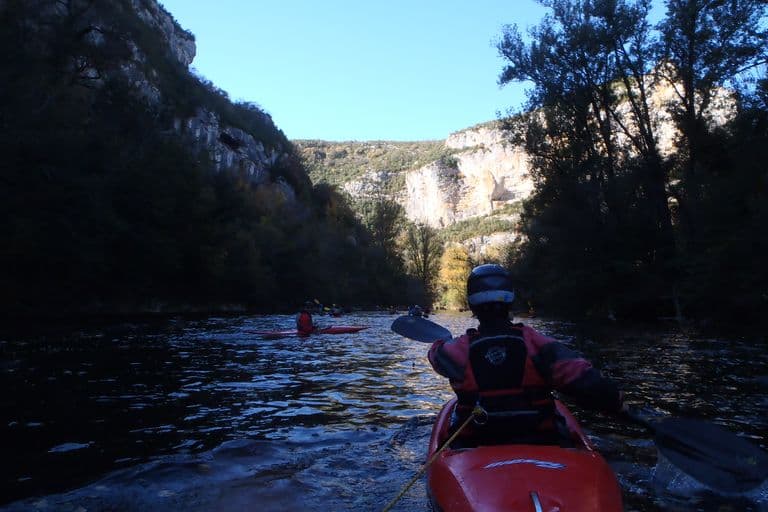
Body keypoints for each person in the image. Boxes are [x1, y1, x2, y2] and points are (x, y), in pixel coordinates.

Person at [428, 264, 626, 446]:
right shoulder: (539, 345)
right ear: (510, 302)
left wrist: (442, 342)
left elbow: (435, 356)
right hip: (540, 441)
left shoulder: (456, 351)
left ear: (473, 305)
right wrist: (618, 403)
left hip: (477, 444)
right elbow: (587, 380)